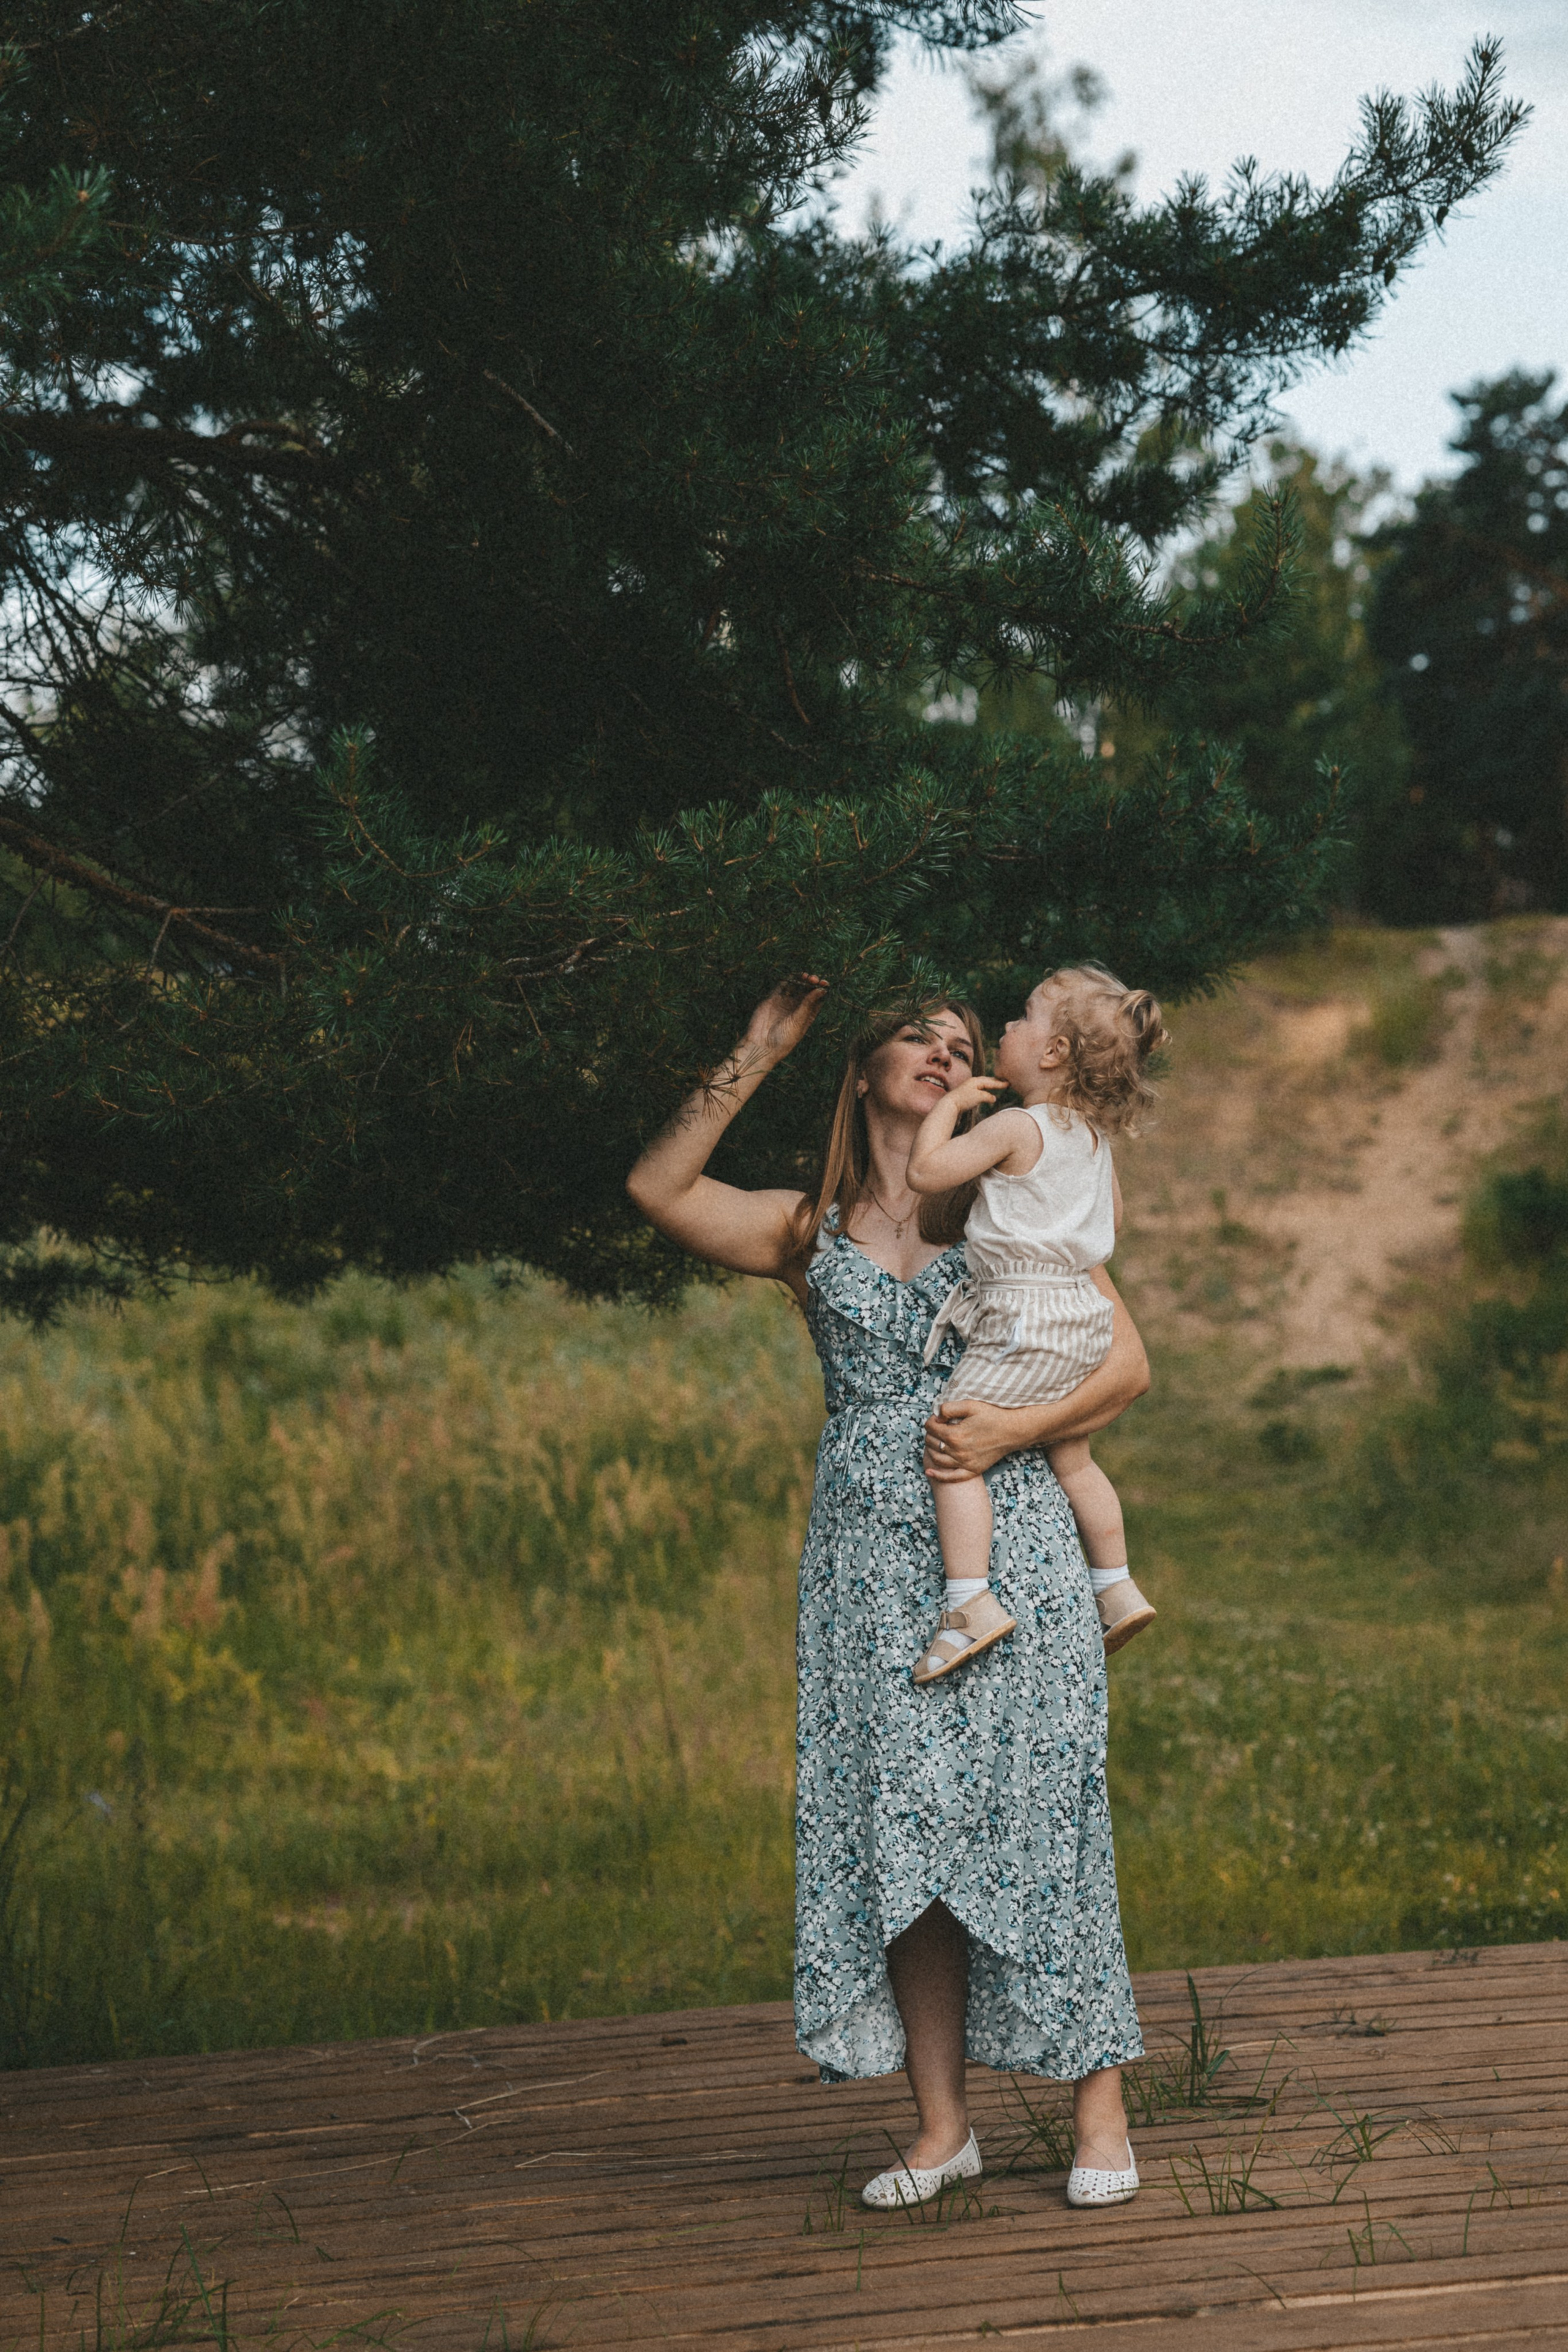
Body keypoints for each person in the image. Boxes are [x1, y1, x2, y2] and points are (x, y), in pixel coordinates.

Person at [625, 976, 1148, 2213]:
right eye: (921, 1034)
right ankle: (939, 2127)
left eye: (963, 1039)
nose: (948, 1047)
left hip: (1008, 1536)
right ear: (864, 1073)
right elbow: (657, 1191)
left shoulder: (1006, 1207)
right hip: (867, 1569)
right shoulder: (806, 1232)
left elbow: (1124, 1365)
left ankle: (1100, 2110)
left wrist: (1009, 1427)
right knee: (902, 1837)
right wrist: (755, 1047)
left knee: (1042, 1815)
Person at [903, 966, 1166, 1686]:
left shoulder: (1015, 1125)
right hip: (1080, 1316)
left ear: (1052, 1054)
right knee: (1073, 1458)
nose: (1007, 1029)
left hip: (1021, 1315)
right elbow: (1109, 1223)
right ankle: (1115, 1586)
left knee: (953, 1444)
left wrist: (952, 1107)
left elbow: (927, 1173)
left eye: (1022, 1018)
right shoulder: (1090, 1138)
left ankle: (969, 1603)